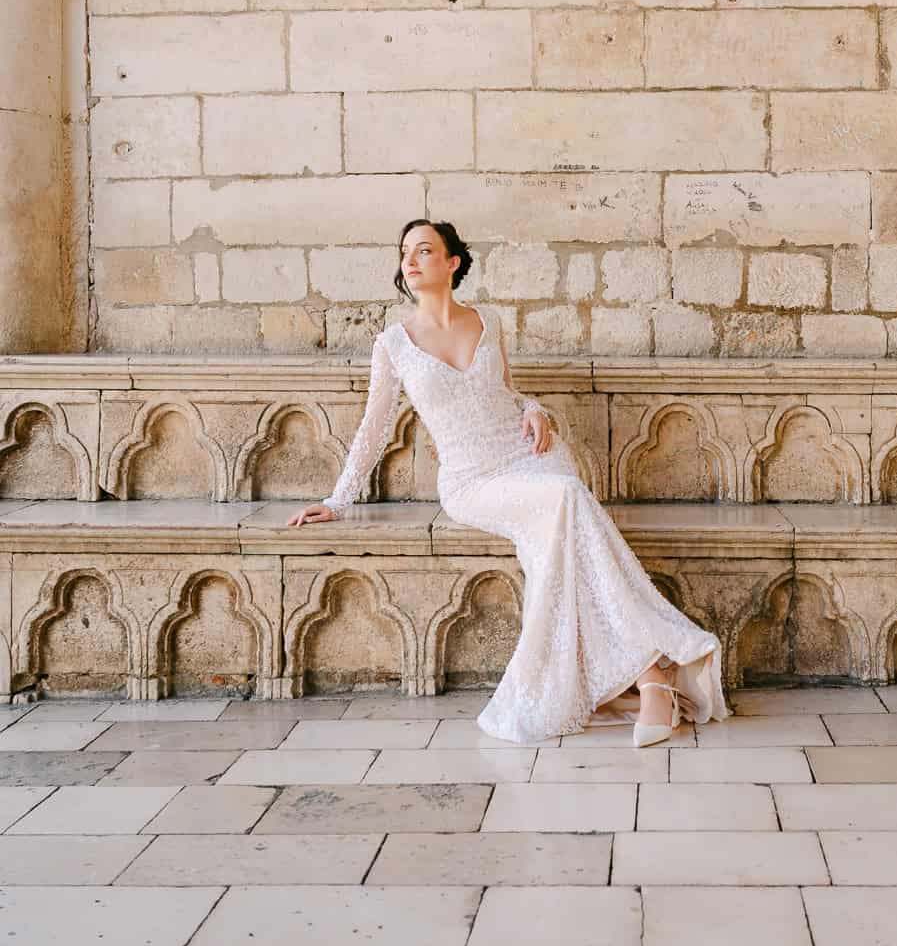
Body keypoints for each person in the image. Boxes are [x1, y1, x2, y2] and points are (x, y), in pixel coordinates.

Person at [288, 218, 729, 746]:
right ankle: (653, 668)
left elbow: (508, 393)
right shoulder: (393, 344)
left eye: (424, 250)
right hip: (474, 480)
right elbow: (373, 428)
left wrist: (536, 410)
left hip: (532, 456)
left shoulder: (488, 321)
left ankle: (643, 679)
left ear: (452, 262)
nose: (410, 259)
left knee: (560, 532)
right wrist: (338, 500)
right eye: (405, 251)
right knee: (568, 502)